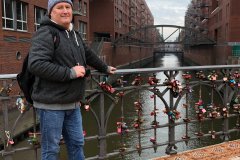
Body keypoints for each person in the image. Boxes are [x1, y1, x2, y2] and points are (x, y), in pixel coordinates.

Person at [28, 0, 116, 159]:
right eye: (59, 7)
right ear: (50, 12)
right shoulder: (46, 32)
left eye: (68, 7)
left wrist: (105, 68)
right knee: (51, 150)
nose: (65, 11)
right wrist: (70, 73)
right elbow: (36, 64)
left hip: (73, 103)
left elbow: (87, 54)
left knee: (77, 144)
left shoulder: (73, 33)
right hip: (51, 104)